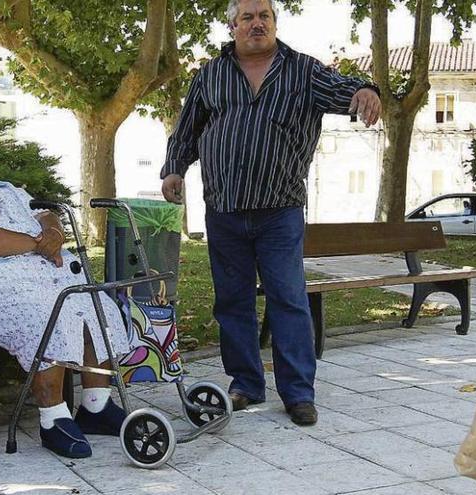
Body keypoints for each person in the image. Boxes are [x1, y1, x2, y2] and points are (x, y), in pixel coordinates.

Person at [160, 0, 381, 426]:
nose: (257, 23)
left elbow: (344, 89)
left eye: (265, 16)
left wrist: (366, 90)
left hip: (279, 210)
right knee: (232, 302)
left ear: (275, 24)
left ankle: (298, 393)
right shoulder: (210, 74)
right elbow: (187, 129)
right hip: (224, 207)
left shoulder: (303, 70)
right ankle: (245, 383)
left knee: (288, 299)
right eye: (248, 17)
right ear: (233, 26)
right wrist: (173, 169)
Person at [0, 121, 131, 459]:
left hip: (42, 273)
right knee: (46, 308)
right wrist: (36, 243)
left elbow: (47, 213)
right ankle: (53, 419)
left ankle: (97, 405)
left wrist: (53, 231)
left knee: (93, 298)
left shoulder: (7, 190)